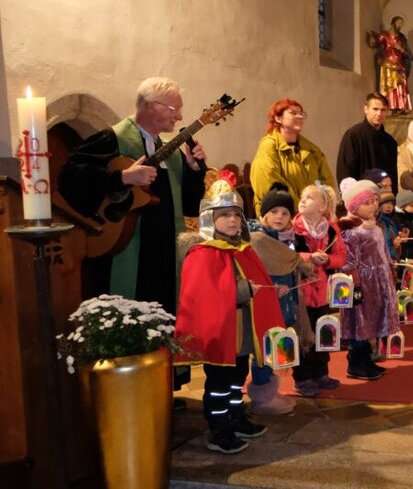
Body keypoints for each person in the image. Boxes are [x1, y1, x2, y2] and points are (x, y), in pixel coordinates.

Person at [59, 77, 206, 314]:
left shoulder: (172, 153)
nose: (179, 117)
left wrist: (194, 171)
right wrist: (122, 178)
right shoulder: (112, 140)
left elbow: (189, 206)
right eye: (173, 108)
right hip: (125, 250)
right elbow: (70, 177)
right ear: (150, 105)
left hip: (165, 256)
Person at [175, 185, 282, 454]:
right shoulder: (202, 253)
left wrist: (269, 289)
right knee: (219, 382)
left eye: (236, 214)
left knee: (238, 376)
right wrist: (244, 290)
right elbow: (206, 295)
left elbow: (254, 281)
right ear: (210, 220)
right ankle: (218, 428)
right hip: (221, 333)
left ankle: (236, 418)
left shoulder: (243, 249)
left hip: (242, 332)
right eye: (224, 215)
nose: (232, 220)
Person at [246, 184, 314, 415]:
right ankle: (262, 397)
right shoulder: (257, 239)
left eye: (285, 213)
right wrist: (272, 287)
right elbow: (252, 272)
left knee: (276, 347)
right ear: (264, 214)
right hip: (266, 303)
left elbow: (289, 263)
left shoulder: (288, 239)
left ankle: (272, 392)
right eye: (274, 211)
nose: (279, 217)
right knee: (263, 349)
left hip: (285, 303)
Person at [338, 178, 398, 382]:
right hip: (362, 283)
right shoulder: (352, 231)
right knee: (361, 322)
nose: (373, 206)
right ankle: (356, 363)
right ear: (354, 207)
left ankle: (367, 360)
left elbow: (383, 252)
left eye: (375, 201)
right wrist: (355, 284)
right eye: (367, 203)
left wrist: (390, 265)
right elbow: (349, 261)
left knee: (373, 320)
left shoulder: (376, 226)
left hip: (379, 281)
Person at [290, 183, 346, 398]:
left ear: (323, 207)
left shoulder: (331, 229)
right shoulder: (293, 229)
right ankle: (303, 378)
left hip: (322, 291)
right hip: (301, 292)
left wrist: (328, 259)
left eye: (309, 198)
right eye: (302, 197)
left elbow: (341, 256)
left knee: (323, 331)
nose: (302, 200)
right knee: (304, 335)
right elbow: (288, 254)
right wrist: (308, 258)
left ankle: (321, 373)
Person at [249, 98, 336, 217]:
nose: (299, 117)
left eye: (301, 114)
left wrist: (321, 207)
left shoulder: (312, 150)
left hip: (312, 217)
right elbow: (269, 184)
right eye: (293, 113)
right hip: (280, 218)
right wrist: (300, 208)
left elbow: (327, 182)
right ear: (278, 118)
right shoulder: (268, 146)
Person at [336, 92, 398, 184]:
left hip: (384, 195)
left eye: (383, 110)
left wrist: (392, 197)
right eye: (375, 109)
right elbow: (345, 172)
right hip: (359, 195)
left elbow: (392, 176)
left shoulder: (390, 142)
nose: (379, 113)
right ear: (366, 109)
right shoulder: (353, 135)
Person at [367, 16, 413, 114]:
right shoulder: (385, 35)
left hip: (400, 66)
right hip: (388, 64)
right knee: (390, 87)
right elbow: (376, 43)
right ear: (393, 23)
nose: (400, 25)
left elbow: (407, 54)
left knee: (401, 87)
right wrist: (372, 39)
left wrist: (400, 49)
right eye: (399, 23)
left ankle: (401, 107)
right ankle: (390, 108)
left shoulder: (402, 38)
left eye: (402, 24)